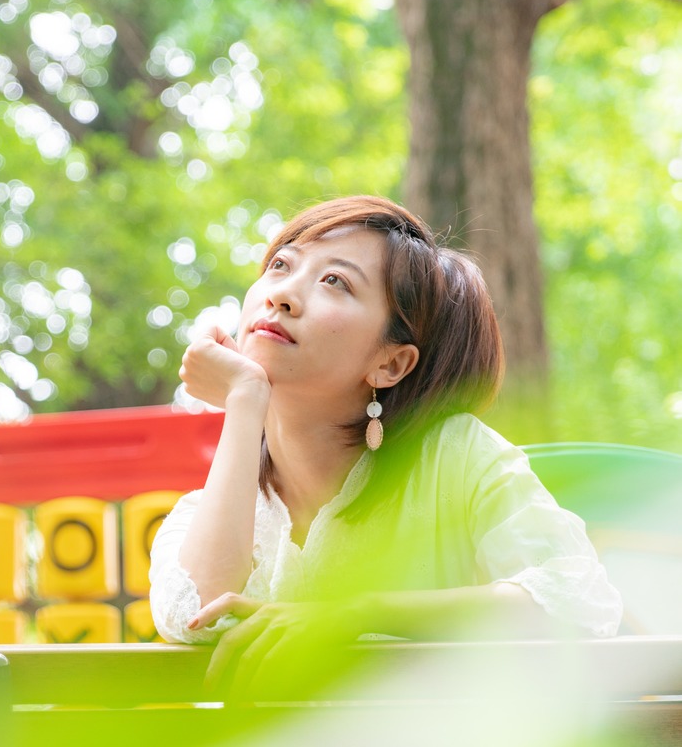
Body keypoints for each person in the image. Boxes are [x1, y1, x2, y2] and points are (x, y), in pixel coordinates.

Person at [148, 195, 622, 696]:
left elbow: (579, 602)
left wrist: (356, 615)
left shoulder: (454, 457)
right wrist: (245, 402)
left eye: (336, 281)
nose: (283, 294)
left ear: (391, 364)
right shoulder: (208, 507)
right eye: (281, 265)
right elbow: (193, 617)